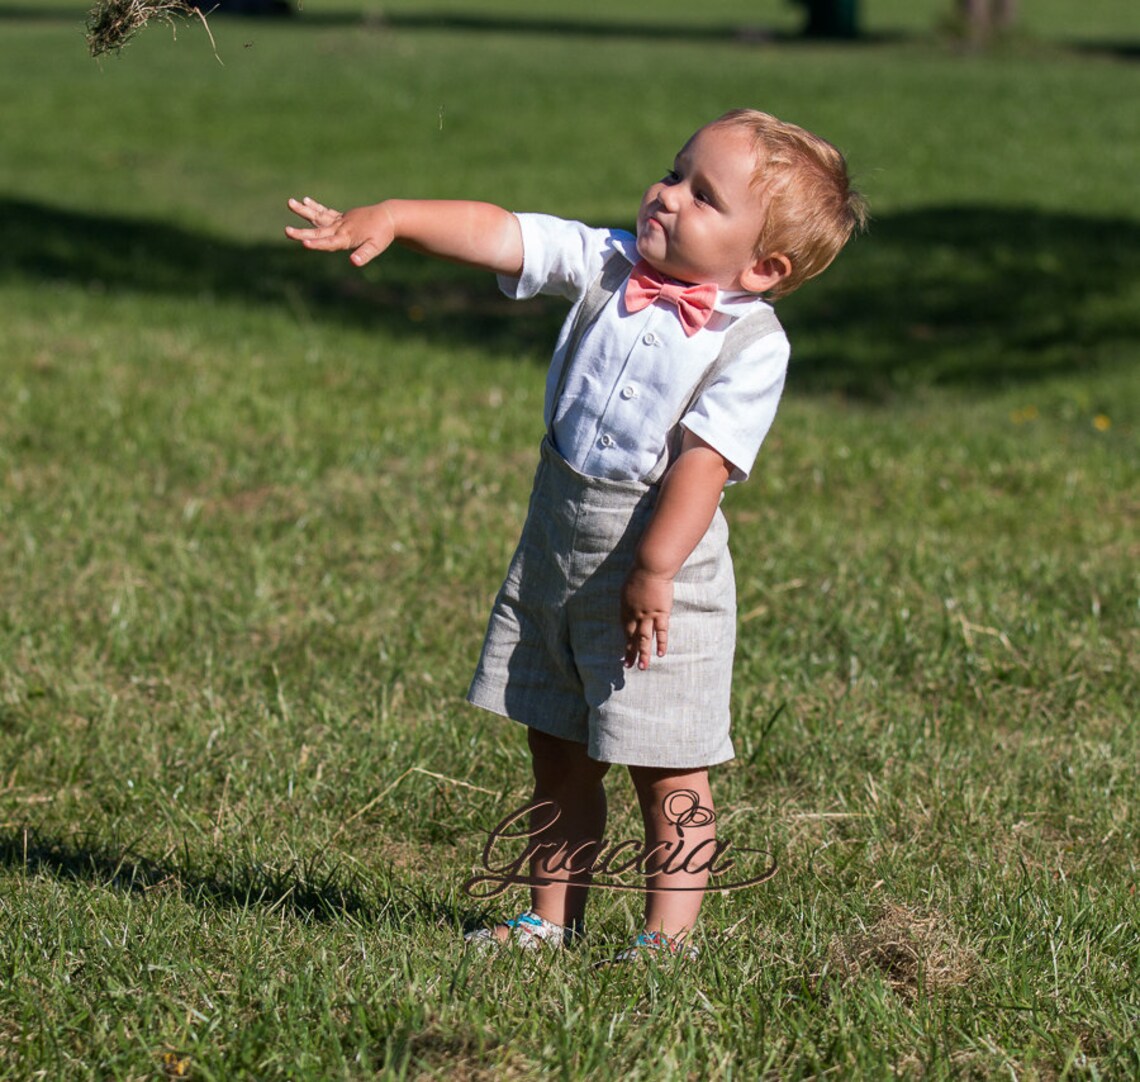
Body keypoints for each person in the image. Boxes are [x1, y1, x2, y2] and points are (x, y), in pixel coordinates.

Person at [285, 109, 866, 961]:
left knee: (668, 765)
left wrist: (655, 570)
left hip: (656, 580)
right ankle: (547, 919)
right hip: (560, 546)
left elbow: (703, 465)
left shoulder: (751, 345)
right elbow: (505, 233)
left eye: (702, 196)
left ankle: (670, 941)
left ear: (762, 265)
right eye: (674, 173)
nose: (666, 196)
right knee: (556, 744)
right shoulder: (608, 263)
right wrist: (398, 216)